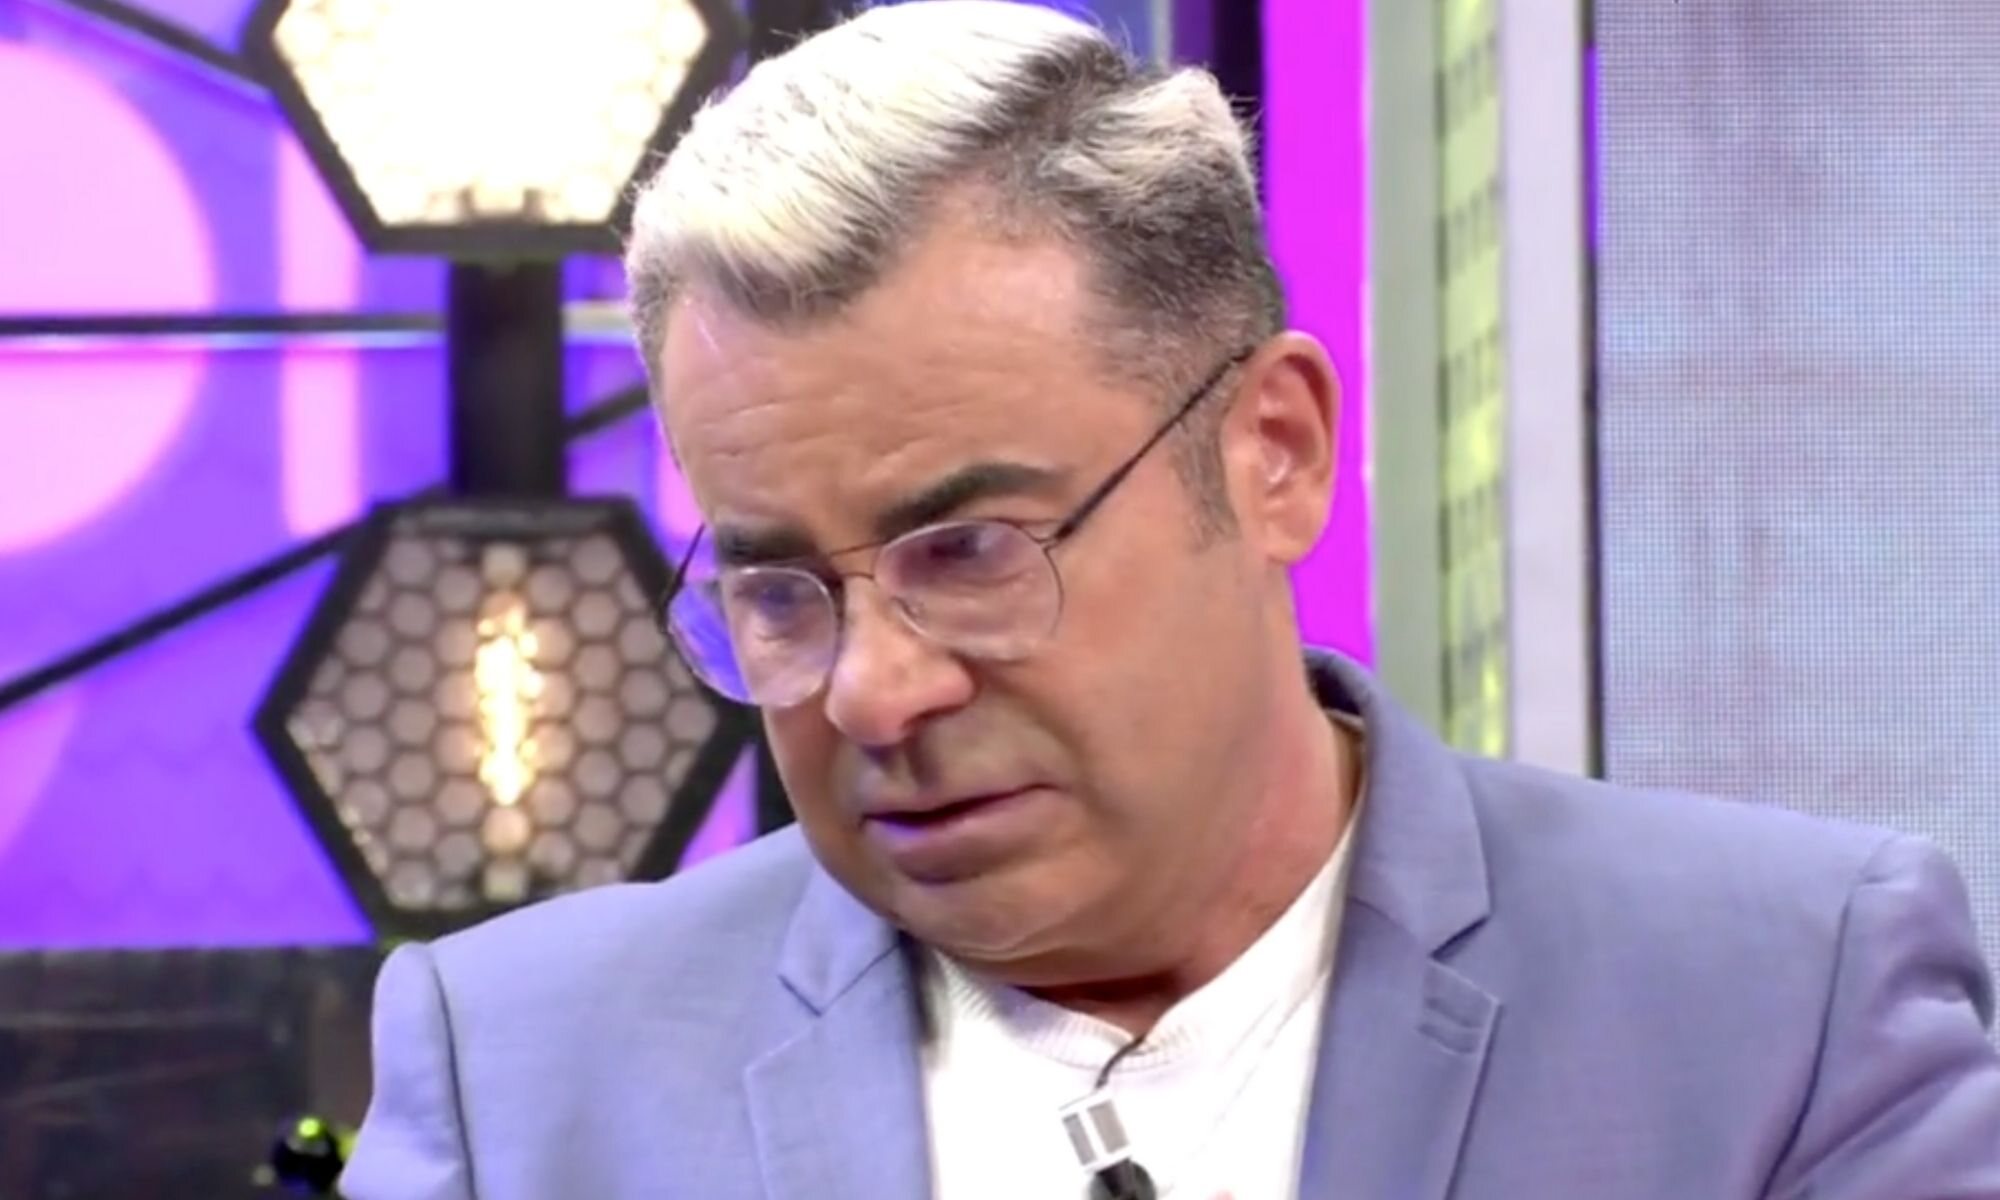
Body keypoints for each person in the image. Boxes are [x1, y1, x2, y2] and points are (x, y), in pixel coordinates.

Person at [340, 4, 2000, 1197]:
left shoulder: (1787, 1008)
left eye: (970, 551)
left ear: (1273, 453)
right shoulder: (517, 1080)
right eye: (781, 591)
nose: (874, 693)